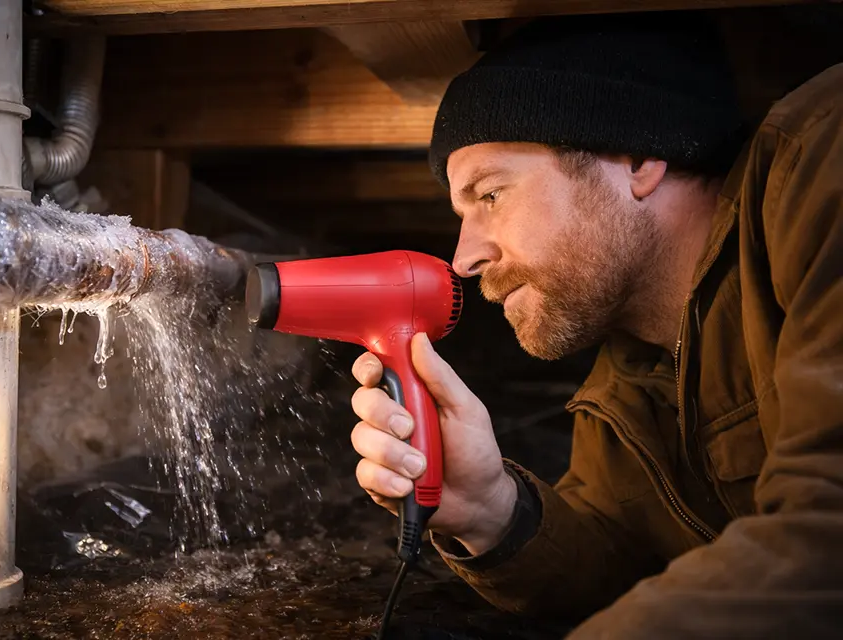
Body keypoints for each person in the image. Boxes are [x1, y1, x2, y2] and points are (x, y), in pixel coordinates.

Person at [348, 10, 843, 639]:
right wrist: (489, 510)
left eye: (491, 196)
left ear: (637, 159)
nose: (463, 259)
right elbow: (623, 566)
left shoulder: (824, 157)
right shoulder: (630, 378)